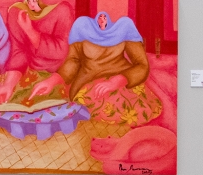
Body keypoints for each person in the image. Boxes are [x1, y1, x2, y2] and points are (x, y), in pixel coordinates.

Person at [29, 11, 162, 126]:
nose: (102, 20)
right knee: (89, 116)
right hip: (88, 82)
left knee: (132, 112)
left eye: (105, 17)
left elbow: (142, 65)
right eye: (100, 17)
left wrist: (119, 80)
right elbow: (73, 61)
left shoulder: (123, 29)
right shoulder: (83, 29)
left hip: (123, 82)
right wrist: (52, 80)